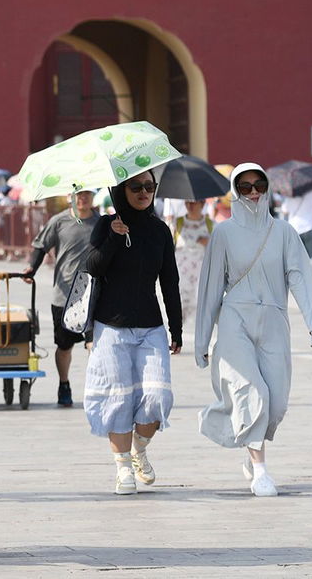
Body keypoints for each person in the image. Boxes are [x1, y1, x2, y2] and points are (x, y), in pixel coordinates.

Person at [194, 163, 312, 496]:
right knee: (253, 392)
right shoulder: (223, 233)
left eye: (259, 185)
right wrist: (202, 340)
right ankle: (262, 471)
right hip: (235, 319)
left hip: (274, 321)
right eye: (245, 186)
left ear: (267, 188)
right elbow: (210, 288)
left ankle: (248, 445)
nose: (253, 192)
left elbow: (301, 278)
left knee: (276, 403)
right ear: (235, 191)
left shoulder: (283, 232)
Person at [84, 170, 182, 495]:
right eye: (136, 186)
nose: (143, 192)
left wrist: (176, 327)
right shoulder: (105, 224)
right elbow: (93, 267)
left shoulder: (160, 230)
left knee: (157, 397)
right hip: (110, 327)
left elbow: (170, 281)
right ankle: (123, 466)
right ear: (120, 189)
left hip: (150, 326)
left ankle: (140, 448)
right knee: (119, 398)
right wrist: (113, 235)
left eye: (149, 186)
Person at [23, 189, 99, 407]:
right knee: (65, 346)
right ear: (71, 198)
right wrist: (31, 269)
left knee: (94, 343)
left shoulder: (102, 223)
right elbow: (40, 245)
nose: (83, 198)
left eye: (87, 194)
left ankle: (96, 386)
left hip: (93, 294)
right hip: (64, 295)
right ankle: (64, 383)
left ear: (93, 197)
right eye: (79, 195)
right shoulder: (58, 221)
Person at [173, 199, 215, 323]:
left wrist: (209, 242)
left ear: (202, 204)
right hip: (181, 274)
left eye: (193, 202)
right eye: (187, 202)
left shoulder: (210, 224)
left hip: (201, 274)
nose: (190, 205)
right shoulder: (178, 222)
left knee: (200, 307)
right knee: (179, 307)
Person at [280, 184, 312, 277]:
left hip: (295, 228)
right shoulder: (311, 192)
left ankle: (301, 279)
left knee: (298, 257)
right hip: (310, 226)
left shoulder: (290, 197)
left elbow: (284, 210)